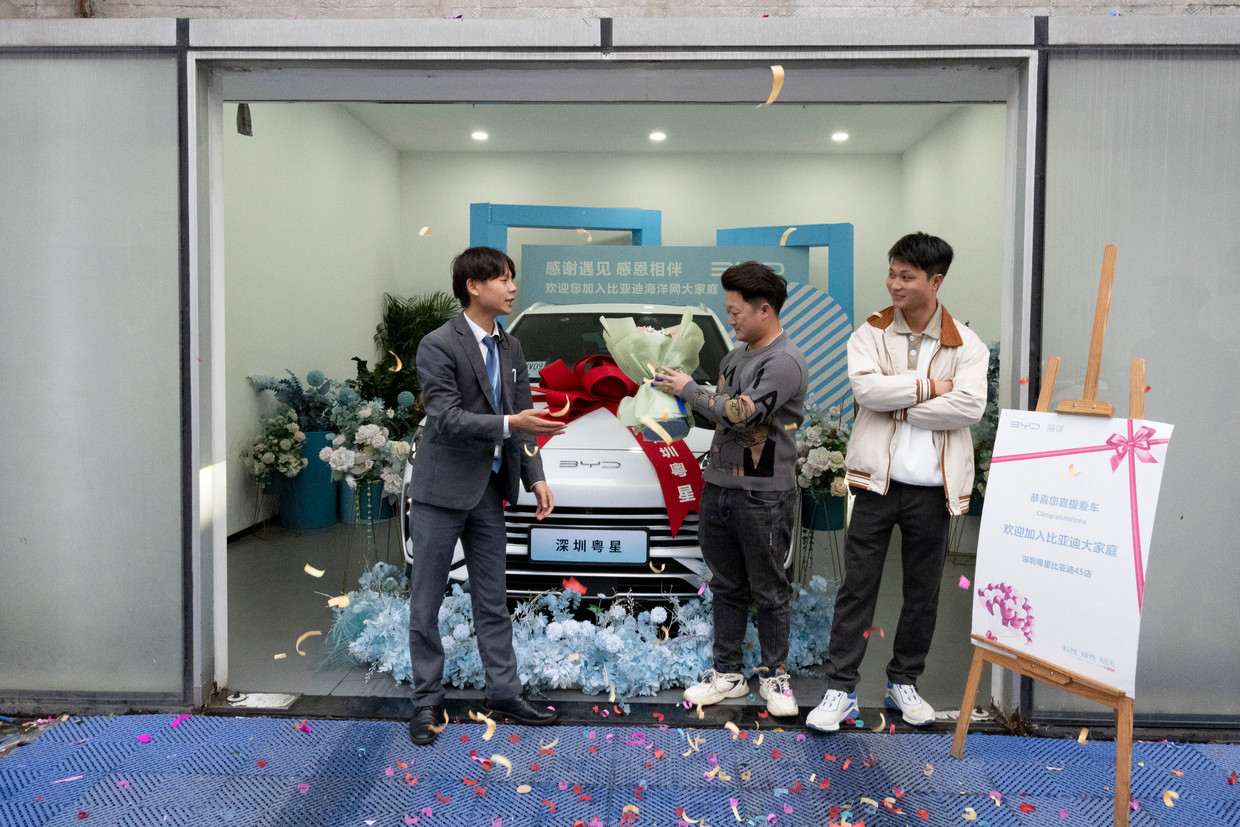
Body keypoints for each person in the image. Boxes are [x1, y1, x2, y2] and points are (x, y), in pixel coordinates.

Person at [807, 232, 987, 732]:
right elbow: (866, 390)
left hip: (933, 489)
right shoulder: (870, 333)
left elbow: (969, 406)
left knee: (923, 593)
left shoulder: (965, 344)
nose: (894, 284)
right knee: (857, 588)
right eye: (891, 273)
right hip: (874, 485)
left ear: (936, 281)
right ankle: (839, 689)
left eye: (906, 277)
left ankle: (904, 681)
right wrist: (932, 390)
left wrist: (898, 402)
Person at [405, 246, 567, 746]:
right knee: (426, 601)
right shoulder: (438, 344)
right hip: (441, 491)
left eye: (512, 278)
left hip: (490, 490)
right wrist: (509, 423)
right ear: (473, 287)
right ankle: (427, 701)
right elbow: (445, 417)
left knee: (493, 599)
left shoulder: (512, 347)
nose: (512, 287)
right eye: (502, 279)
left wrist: (535, 475)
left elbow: (526, 418)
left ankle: (504, 692)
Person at [654, 261, 808, 718]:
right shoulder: (733, 357)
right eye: (728, 311)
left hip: (764, 493)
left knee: (769, 588)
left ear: (765, 310)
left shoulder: (783, 362)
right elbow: (715, 415)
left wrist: (690, 389)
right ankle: (728, 674)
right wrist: (666, 398)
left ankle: (774, 675)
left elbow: (741, 413)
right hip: (718, 485)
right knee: (725, 584)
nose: (731, 320)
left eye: (736, 311)